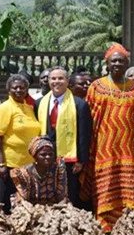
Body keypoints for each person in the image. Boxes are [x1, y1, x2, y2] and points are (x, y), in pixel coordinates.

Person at [83, 44, 134, 231]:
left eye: (121, 61)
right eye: (113, 60)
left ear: (127, 64)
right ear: (107, 63)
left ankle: (130, 227)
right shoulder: (95, 88)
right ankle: (105, 227)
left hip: (129, 152)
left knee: (129, 191)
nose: (117, 64)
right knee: (104, 189)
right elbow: (89, 120)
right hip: (102, 150)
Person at [35, 66, 92, 210]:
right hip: (46, 156)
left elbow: (84, 135)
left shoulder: (79, 105)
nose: (56, 82)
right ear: (48, 81)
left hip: (69, 158)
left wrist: (81, 160)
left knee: (68, 192)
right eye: (53, 78)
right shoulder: (40, 103)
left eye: (60, 78)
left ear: (67, 81)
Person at [0, 74, 41, 210]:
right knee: (5, 202)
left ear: (27, 90)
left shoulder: (28, 108)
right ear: (9, 90)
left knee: (25, 201)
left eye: (22, 88)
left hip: (29, 164)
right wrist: (1, 163)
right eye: (15, 88)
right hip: (10, 164)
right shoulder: (5, 108)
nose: (19, 90)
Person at [11, 136, 68, 206]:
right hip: (30, 207)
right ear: (35, 157)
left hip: (54, 206)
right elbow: (23, 199)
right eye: (43, 155)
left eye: (50, 154)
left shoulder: (58, 169)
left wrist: (55, 210)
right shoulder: (23, 173)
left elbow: (62, 197)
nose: (48, 157)